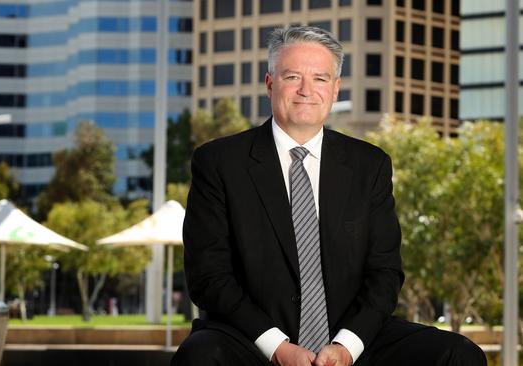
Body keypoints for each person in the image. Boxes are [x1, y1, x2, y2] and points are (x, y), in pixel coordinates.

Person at [171, 26, 486, 366]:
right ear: (270, 83)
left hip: (348, 342)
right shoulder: (219, 162)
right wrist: (278, 347)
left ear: (335, 90)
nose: (306, 90)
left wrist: (346, 347)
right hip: (251, 341)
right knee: (201, 355)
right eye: (292, 76)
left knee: (458, 354)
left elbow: (384, 273)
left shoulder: (370, 165)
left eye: (320, 79)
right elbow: (209, 276)